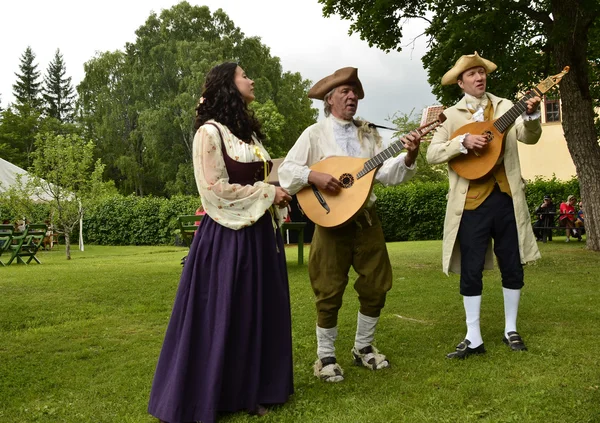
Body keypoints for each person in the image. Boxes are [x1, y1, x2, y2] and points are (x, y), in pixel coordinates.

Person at [148, 62, 294, 423]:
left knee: (256, 309)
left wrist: (284, 188)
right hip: (229, 239)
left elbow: (266, 175)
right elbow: (213, 190)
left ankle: (257, 388)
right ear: (228, 85)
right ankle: (221, 391)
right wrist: (267, 193)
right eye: (244, 75)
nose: (251, 79)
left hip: (259, 235)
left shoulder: (248, 136)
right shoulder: (209, 134)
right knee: (228, 312)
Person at [278, 67, 422, 382]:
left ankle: (363, 348)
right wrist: (313, 175)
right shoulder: (314, 134)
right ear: (329, 99)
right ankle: (325, 357)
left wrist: (410, 155)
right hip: (329, 223)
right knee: (328, 288)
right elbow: (287, 171)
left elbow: (384, 174)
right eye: (345, 91)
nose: (352, 96)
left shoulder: (368, 133)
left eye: (355, 91)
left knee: (376, 285)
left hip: (366, 220)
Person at [426, 52, 542, 359]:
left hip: (506, 197)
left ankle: (510, 329)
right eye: (472, 74)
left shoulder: (506, 107)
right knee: (471, 268)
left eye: (482, 72)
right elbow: (432, 154)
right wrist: (462, 143)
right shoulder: (450, 117)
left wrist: (530, 115)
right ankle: (473, 336)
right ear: (461, 82)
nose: (479, 77)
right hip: (471, 204)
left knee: (513, 264)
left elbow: (529, 138)